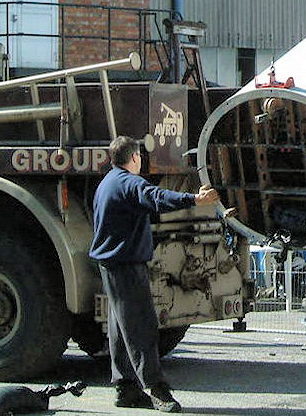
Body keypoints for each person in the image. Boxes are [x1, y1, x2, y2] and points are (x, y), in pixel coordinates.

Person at [89, 135, 220, 412]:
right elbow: (156, 197)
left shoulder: (107, 183)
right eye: (140, 157)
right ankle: (157, 390)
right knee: (141, 328)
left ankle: (125, 388)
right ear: (134, 158)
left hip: (111, 264)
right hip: (125, 264)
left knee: (119, 328)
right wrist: (194, 199)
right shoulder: (128, 182)